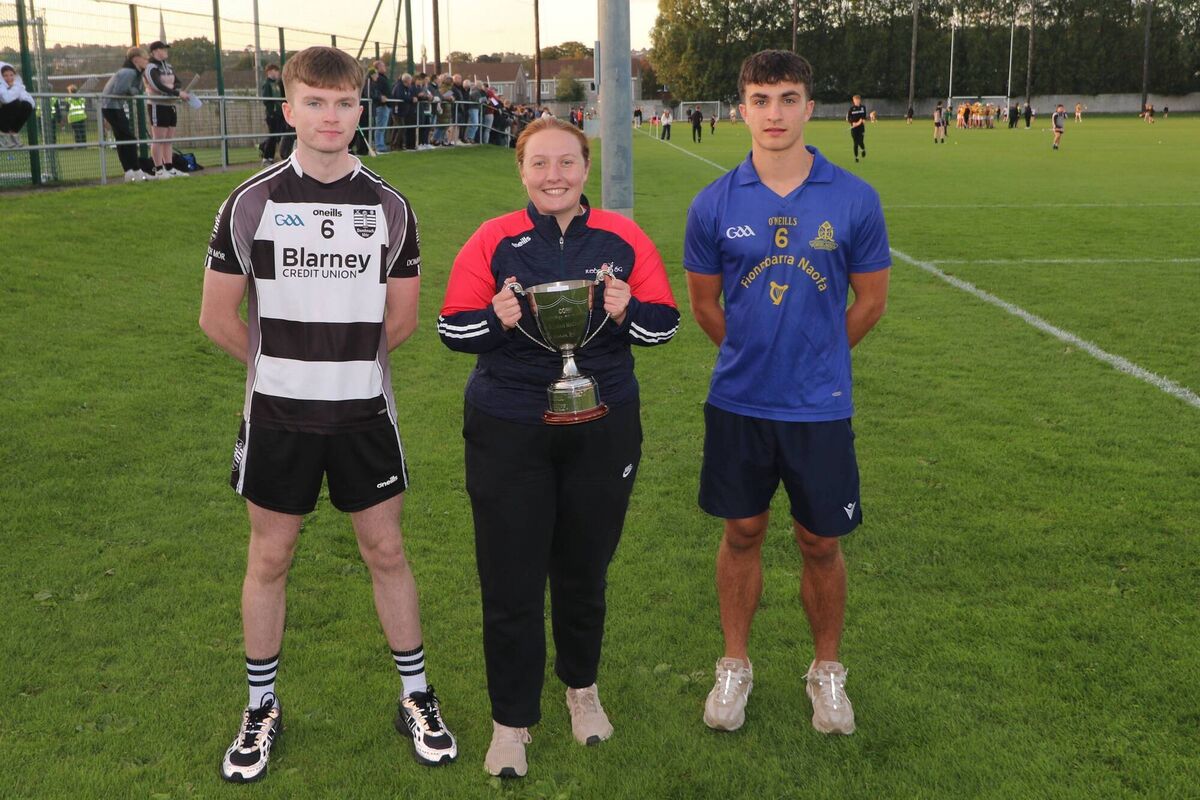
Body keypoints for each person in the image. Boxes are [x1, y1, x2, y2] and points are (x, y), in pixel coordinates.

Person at [199, 45, 458, 784]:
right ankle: (260, 709)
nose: (330, 116)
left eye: (343, 103)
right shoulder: (250, 202)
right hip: (278, 416)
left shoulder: (388, 207)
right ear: (290, 110)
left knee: (386, 553)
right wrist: (281, 369)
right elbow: (218, 317)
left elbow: (399, 322)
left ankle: (416, 697)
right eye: (314, 102)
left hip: (363, 414)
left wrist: (336, 369)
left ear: (359, 111)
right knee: (271, 558)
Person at [437, 116, 680, 779]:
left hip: (602, 423)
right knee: (510, 580)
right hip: (508, 425)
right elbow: (451, 329)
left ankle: (582, 690)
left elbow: (665, 327)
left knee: (583, 572)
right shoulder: (493, 239)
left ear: (586, 167)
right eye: (540, 164)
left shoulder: (622, 238)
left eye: (567, 163)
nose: (554, 176)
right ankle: (511, 722)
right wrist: (495, 319)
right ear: (521, 171)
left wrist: (630, 311)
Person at [683, 49, 890, 738]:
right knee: (741, 531)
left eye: (789, 98)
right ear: (741, 106)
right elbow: (707, 307)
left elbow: (870, 302)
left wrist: (815, 356)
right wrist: (757, 357)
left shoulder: (853, 197)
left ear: (809, 106)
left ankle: (826, 670)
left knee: (820, 542)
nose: (775, 113)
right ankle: (735, 663)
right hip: (740, 401)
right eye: (761, 99)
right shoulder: (712, 202)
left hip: (819, 404)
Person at [100, 47, 151, 181]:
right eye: (145, 59)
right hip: (112, 106)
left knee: (123, 139)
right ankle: (136, 170)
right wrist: (133, 90)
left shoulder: (135, 73)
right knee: (128, 138)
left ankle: (129, 172)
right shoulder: (128, 72)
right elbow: (119, 90)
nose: (147, 61)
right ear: (135, 59)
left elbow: (137, 89)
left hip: (113, 106)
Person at [143, 41, 191, 179]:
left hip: (170, 105)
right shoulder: (150, 67)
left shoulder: (168, 67)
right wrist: (176, 93)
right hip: (157, 105)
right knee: (159, 139)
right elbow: (157, 85)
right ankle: (159, 169)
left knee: (168, 138)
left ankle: (169, 168)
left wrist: (176, 90)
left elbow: (177, 81)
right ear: (155, 51)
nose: (165, 51)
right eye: (162, 49)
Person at [258, 64, 292, 165]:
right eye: (275, 71)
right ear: (269, 72)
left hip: (279, 114)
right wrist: (271, 112)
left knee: (278, 135)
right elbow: (266, 100)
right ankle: (266, 157)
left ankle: (264, 148)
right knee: (273, 135)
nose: (277, 73)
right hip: (273, 115)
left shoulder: (276, 84)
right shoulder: (267, 84)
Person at [0, 62, 34, 148]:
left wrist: (14, 87)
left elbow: (29, 102)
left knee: (27, 105)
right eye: (5, 76)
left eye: (11, 75)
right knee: (14, 103)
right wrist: (15, 88)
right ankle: (3, 133)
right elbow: (6, 98)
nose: (9, 78)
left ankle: (13, 132)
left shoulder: (16, 83)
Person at [368, 60, 392, 153]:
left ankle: (381, 145)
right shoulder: (378, 79)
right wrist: (381, 97)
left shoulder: (383, 78)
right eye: (382, 66)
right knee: (380, 126)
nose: (384, 67)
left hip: (385, 105)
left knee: (382, 127)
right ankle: (379, 146)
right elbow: (376, 91)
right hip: (381, 105)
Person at [847, 93, 866, 162]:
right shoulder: (851, 109)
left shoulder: (863, 107)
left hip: (861, 128)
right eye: (855, 100)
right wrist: (853, 123)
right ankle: (856, 157)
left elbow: (864, 117)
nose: (856, 101)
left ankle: (863, 149)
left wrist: (863, 120)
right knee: (855, 143)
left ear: (859, 100)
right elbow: (848, 118)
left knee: (860, 141)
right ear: (853, 101)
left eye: (857, 100)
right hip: (854, 128)